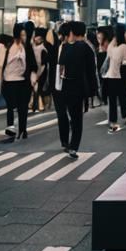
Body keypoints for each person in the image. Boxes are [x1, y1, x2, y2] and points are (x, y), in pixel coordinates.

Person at [55, 21, 98, 158]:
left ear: (72, 33)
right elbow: (91, 71)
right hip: (80, 86)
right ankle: (73, 147)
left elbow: (60, 67)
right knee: (77, 118)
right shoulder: (87, 48)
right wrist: (93, 91)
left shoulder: (65, 47)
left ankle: (68, 141)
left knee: (70, 114)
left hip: (66, 85)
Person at [0, 24, 36, 141]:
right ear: (17, 35)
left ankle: (23, 130)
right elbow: (2, 64)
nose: (24, 37)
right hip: (9, 81)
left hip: (23, 82)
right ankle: (11, 128)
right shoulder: (9, 46)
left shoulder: (27, 47)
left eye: (25, 35)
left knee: (23, 107)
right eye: (22, 35)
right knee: (10, 107)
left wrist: (32, 78)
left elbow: (33, 65)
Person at [100, 26, 126, 132]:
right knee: (122, 97)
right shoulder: (124, 48)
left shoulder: (111, 47)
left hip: (109, 77)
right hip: (118, 76)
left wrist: (115, 37)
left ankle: (113, 122)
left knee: (112, 100)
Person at [30, 28, 53, 113]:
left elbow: (43, 64)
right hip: (37, 72)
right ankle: (36, 105)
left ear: (41, 39)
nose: (35, 39)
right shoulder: (34, 47)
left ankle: (38, 106)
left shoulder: (42, 49)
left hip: (41, 72)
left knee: (38, 89)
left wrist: (38, 75)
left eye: (37, 37)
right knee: (36, 89)